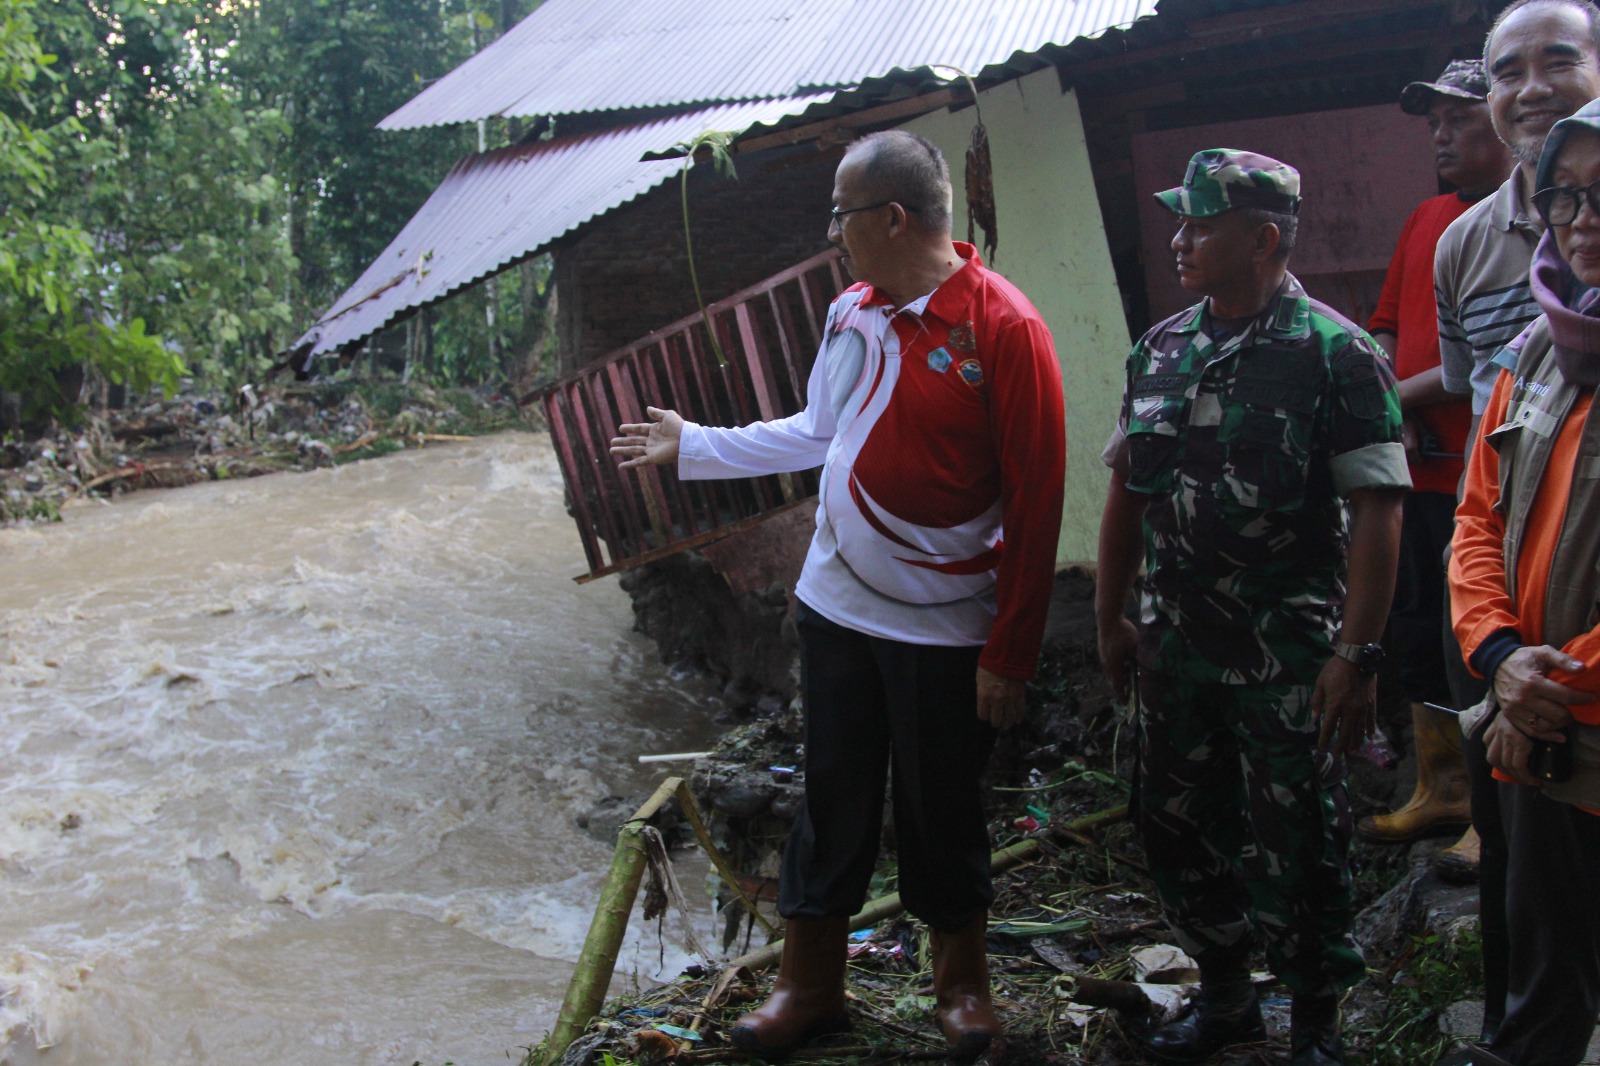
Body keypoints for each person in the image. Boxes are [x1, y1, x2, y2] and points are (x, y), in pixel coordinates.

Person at [609, 129, 1066, 1059]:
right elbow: (818, 430)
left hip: (943, 626)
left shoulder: (1003, 327)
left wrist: (1010, 653)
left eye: (839, 214)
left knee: (943, 803)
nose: (832, 234)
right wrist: (695, 444)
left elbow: (1039, 497)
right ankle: (809, 987)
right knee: (832, 793)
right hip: (835, 610)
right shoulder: (852, 312)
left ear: (892, 218)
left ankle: (963, 990)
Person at [1095, 150, 1408, 1066]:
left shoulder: (1338, 355)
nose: (1180, 241)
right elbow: (1126, 495)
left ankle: (1314, 1022)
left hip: (1288, 656)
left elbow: (1380, 513)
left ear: (1264, 238)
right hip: (1176, 647)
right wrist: (1112, 615)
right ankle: (1225, 997)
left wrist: (1357, 654)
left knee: (1299, 836)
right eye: (1178, 223)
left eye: (1200, 225)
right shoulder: (1159, 348)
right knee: (1177, 823)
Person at [1433, 5, 1600, 1058]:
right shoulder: (1539, 349)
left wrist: (1546, 692)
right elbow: (1475, 518)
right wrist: (1500, 663)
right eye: (1568, 196)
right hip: (1533, 727)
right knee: (1542, 979)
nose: (1582, 219)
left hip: (1554, 715)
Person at [1358, 59, 1513, 877]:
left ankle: (1496, 809)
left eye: (1459, 121)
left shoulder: (1530, 225)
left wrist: (1394, 403)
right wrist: (1392, 394)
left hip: (1485, 478)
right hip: (1418, 477)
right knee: (1420, 629)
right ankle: (1442, 788)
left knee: (1486, 636)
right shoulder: (1426, 219)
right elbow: (1385, 324)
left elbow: (1467, 370)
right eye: (1434, 126)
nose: (1443, 138)